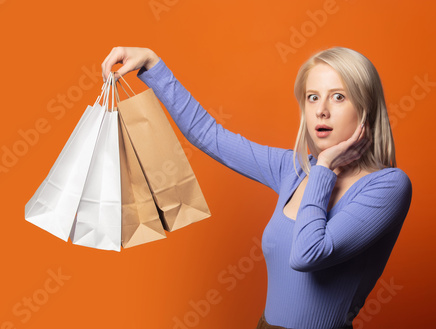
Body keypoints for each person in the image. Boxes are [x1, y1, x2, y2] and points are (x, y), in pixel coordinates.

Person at [102, 46, 412, 329]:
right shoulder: (293, 170)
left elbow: (307, 255)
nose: (321, 110)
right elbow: (209, 135)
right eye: (312, 97)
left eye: (339, 96)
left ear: (366, 110)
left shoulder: (387, 186)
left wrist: (325, 168)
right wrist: (152, 65)